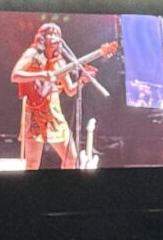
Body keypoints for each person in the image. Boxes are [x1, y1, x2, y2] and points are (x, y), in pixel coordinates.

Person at [11, 23, 98, 170]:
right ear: (42, 37)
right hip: (35, 112)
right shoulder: (32, 54)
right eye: (50, 33)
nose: (54, 37)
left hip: (54, 115)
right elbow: (15, 76)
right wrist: (41, 75)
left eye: (56, 34)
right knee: (32, 163)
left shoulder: (59, 63)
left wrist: (82, 80)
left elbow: (70, 90)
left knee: (71, 158)